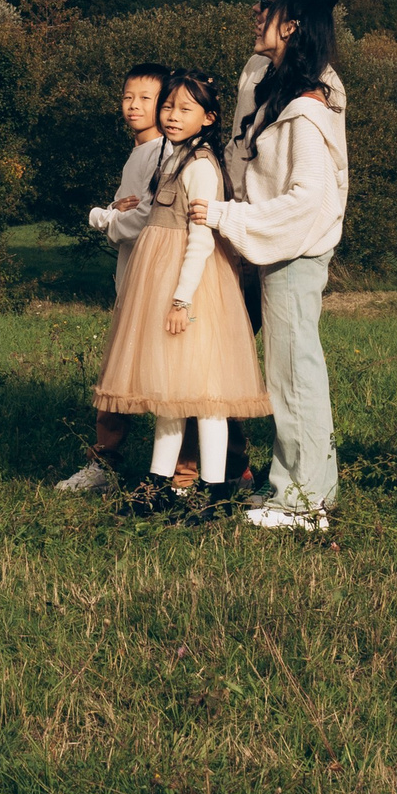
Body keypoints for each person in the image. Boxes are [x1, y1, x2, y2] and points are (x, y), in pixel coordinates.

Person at [201, 0, 350, 532]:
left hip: (292, 248)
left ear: (291, 23)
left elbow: (309, 198)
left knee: (293, 371)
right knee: (283, 368)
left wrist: (225, 216)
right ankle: (294, 483)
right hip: (266, 243)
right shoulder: (267, 78)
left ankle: (306, 499)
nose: (255, 13)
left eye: (265, 4)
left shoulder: (311, 102)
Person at [93, 70, 269, 515]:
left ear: (208, 118)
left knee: (206, 394)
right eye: (168, 106)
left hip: (192, 287)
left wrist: (181, 299)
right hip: (161, 280)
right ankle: (157, 486)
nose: (172, 115)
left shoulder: (200, 166)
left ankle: (211, 491)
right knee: (170, 392)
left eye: (185, 109)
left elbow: (201, 238)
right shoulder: (169, 160)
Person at [56, 63, 174, 494]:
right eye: (128, 97)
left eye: (146, 98)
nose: (133, 106)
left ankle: (187, 470)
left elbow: (146, 216)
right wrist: (116, 212)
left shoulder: (165, 151)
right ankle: (109, 463)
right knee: (121, 372)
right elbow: (132, 211)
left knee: (154, 374)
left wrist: (101, 216)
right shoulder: (142, 151)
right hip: (134, 274)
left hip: (156, 278)